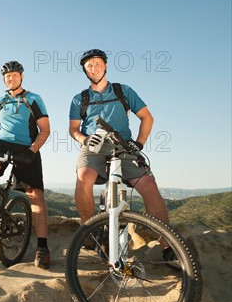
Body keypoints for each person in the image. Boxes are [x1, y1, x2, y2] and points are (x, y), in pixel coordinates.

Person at [68, 49, 173, 258]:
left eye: (97, 63)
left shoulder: (123, 91)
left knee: (149, 185)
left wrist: (139, 143)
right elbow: (73, 130)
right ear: (84, 70)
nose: (94, 68)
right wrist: (85, 139)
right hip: (93, 147)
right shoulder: (80, 99)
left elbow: (147, 117)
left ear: (105, 66)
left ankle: (168, 245)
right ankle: (89, 230)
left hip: (123, 145)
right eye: (89, 65)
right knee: (83, 178)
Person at [0, 61, 51, 269]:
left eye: (14, 75)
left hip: (27, 147)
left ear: (22, 77)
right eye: (7, 76)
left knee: (35, 195)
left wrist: (32, 151)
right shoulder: (0, 101)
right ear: (4, 79)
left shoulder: (33, 99)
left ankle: (42, 248)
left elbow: (45, 129)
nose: (11, 79)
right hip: (1, 144)